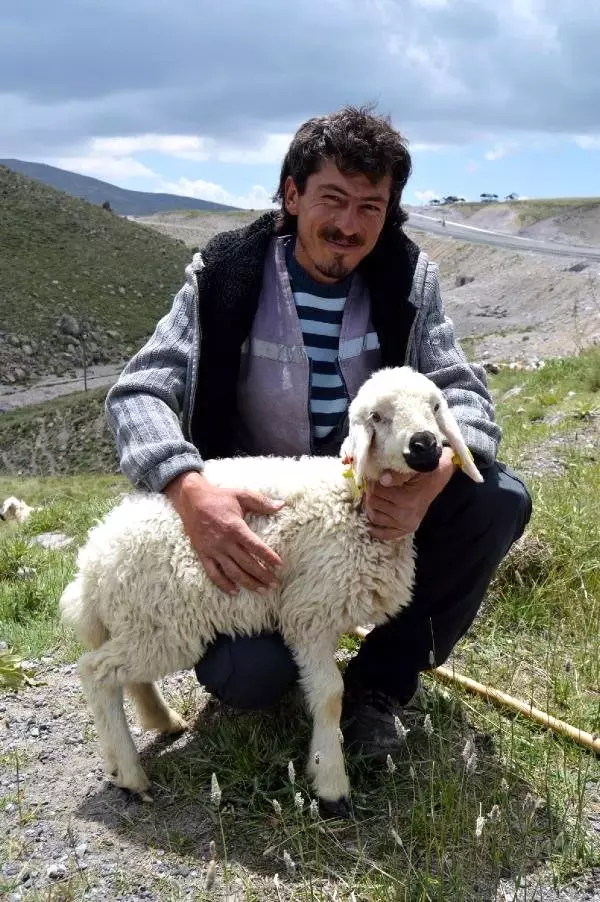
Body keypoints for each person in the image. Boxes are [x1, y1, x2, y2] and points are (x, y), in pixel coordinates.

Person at [105, 106, 531, 756]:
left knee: (496, 497)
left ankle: (378, 686)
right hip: (265, 529)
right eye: (333, 199)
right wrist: (191, 494)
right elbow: (138, 391)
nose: (349, 226)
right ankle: (284, 646)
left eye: (371, 206)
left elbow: (462, 393)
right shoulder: (224, 276)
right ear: (292, 194)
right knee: (252, 679)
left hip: (370, 507)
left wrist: (437, 474)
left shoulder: (407, 282)